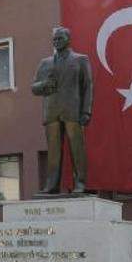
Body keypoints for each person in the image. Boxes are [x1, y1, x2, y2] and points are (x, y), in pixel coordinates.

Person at [31, 26, 93, 194]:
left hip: (73, 110)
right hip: (51, 112)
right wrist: (44, 85)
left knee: (77, 149)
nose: (57, 42)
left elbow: (87, 86)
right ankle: (52, 185)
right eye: (54, 39)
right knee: (53, 151)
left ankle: (80, 183)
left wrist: (86, 111)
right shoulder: (45, 63)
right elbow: (34, 87)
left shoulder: (80, 60)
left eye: (60, 38)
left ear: (68, 40)